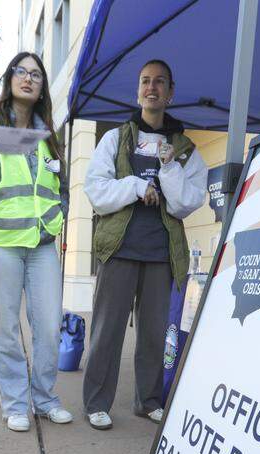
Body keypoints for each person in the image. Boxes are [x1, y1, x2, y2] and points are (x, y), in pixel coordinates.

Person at [82, 59, 207, 430]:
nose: (151, 88)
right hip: (118, 249)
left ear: (170, 93)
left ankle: (148, 400)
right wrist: (137, 186)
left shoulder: (186, 151)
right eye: (145, 82)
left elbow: (187, 202)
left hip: (161, 254)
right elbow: (96, 192)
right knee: (107, 330)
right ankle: (96, 403)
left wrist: (168, 168)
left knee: (155, 334)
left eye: (159, 83)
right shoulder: (114, 139)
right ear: (138, 91)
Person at [0, 53, 73, 432]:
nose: (28, 79)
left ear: (42, 86)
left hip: (42, 245)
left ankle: (43, 399)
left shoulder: (48, 136)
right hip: (2, 243)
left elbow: (61, 188)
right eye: (21, 72)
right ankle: (15, 403)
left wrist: (58, 220)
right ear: (9, 79)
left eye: (36, 74)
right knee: (6, 328)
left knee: (48, 326)